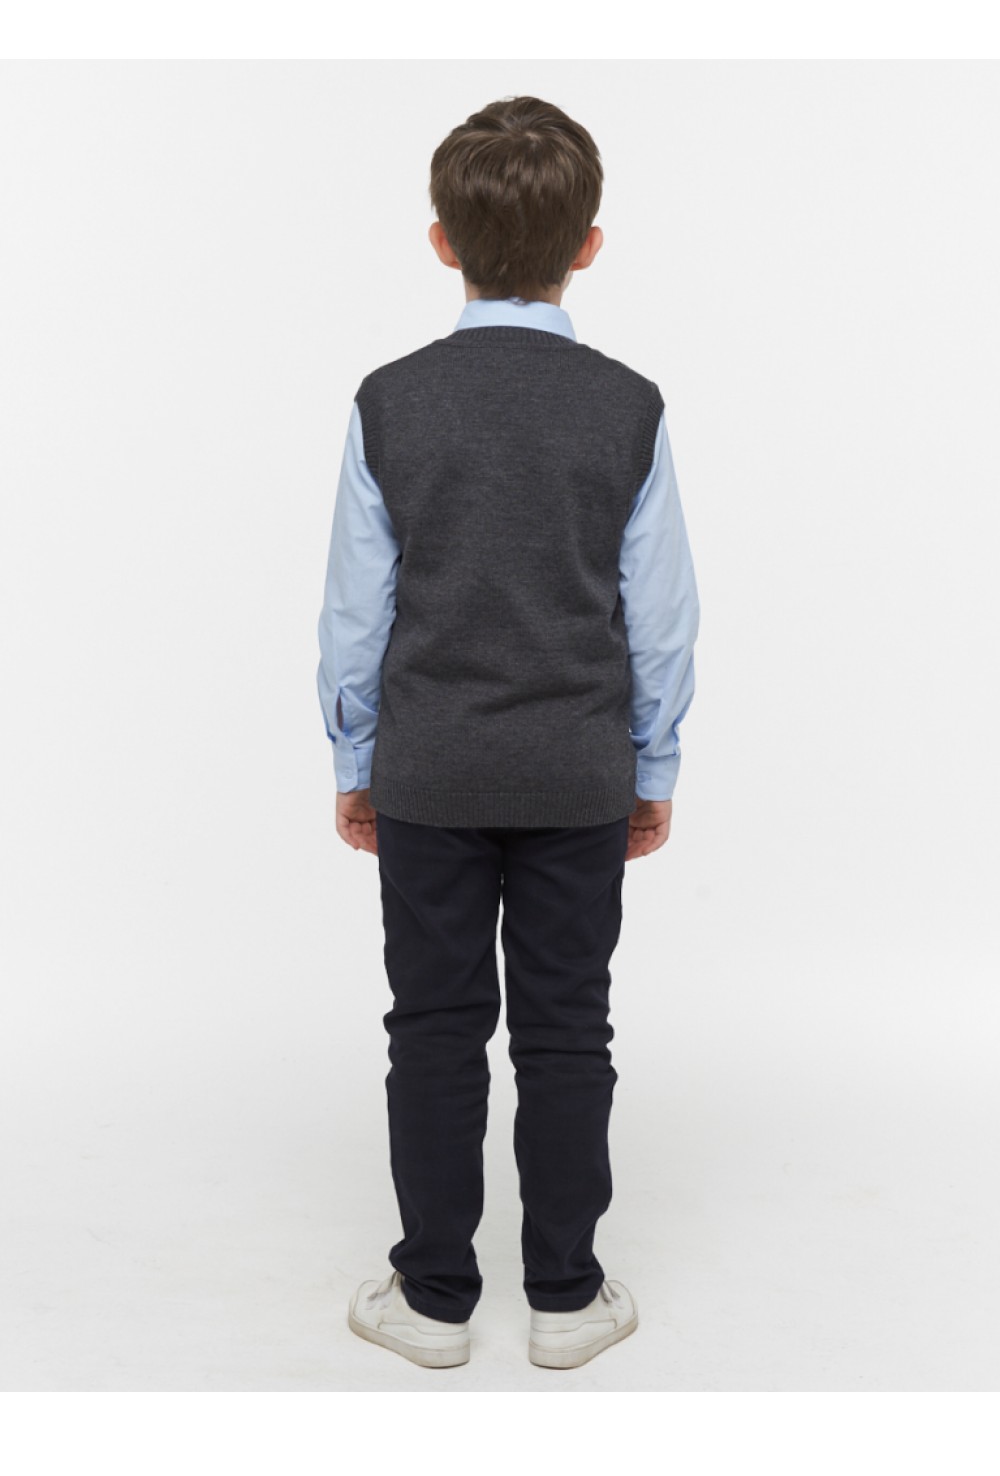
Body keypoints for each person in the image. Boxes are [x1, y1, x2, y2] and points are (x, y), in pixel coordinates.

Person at [315, 95, 700, 1371]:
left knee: (431, 1025)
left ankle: (432, 1299)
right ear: (587, 247)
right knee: (566, 1027)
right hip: (577, 770)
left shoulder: (390, 401)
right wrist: (651, 764)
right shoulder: (628, 406)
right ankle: (565, 1296)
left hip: (428, 769)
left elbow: (356, 610)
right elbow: (660, 617)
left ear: (442, 243)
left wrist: (355, 758)